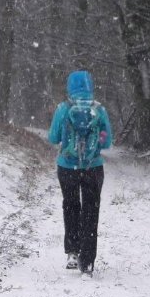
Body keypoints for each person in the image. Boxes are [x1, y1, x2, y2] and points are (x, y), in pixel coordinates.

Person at [48, 70, 112, 277]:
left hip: (67, 167)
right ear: (90, 86)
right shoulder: (99, 109)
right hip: (93, 167)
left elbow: (53, 138)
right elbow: (108, 142)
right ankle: (88, 262)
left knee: (71, 205)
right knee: (91, 211)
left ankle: (73, 252)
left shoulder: (63, 108)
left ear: (70, 87)